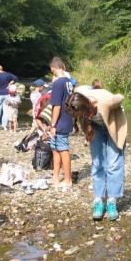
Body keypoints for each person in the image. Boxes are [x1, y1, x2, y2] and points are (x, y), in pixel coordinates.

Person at [66, 89, 127, 221]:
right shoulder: (77, 104)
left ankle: (112, 201)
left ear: (86, 107)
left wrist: (111, 99)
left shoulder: (104, 103)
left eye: (80, 114)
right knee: (98, 163)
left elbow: (120, 97)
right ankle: (98, 201)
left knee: (113, 164)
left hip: (114, 126)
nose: (78, 117)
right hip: (96, 128)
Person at [48, 57, 74, 190]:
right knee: (54, 148)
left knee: (63, 149)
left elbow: (56, 106)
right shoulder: (69, 82)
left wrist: (52, 125)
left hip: (61, 121)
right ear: (63, 66)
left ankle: (68, 179)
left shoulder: (58, 84)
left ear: (53, 69)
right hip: (67, 118)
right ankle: (56, 176)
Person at [0, 64, 18, 131]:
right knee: (6, 111)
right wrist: (10, 83)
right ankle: (4, 126)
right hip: (6, 93)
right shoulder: (8, 74)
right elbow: (16, 78)